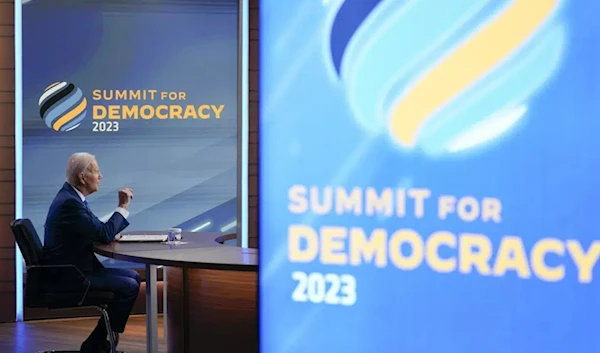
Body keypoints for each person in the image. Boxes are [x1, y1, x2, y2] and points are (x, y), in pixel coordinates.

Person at [42, 152, 139, 353]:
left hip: (76, 268)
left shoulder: (72, 197)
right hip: (72, 276)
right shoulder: (70, 203)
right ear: (82, 177)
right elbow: (103, 233)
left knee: (134, 277)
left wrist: (106, 233)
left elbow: (96, 230)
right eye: (96, 171)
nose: (101, 176)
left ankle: (96, 343)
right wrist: (122, 207)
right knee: (129, 285)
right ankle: (96, 344)